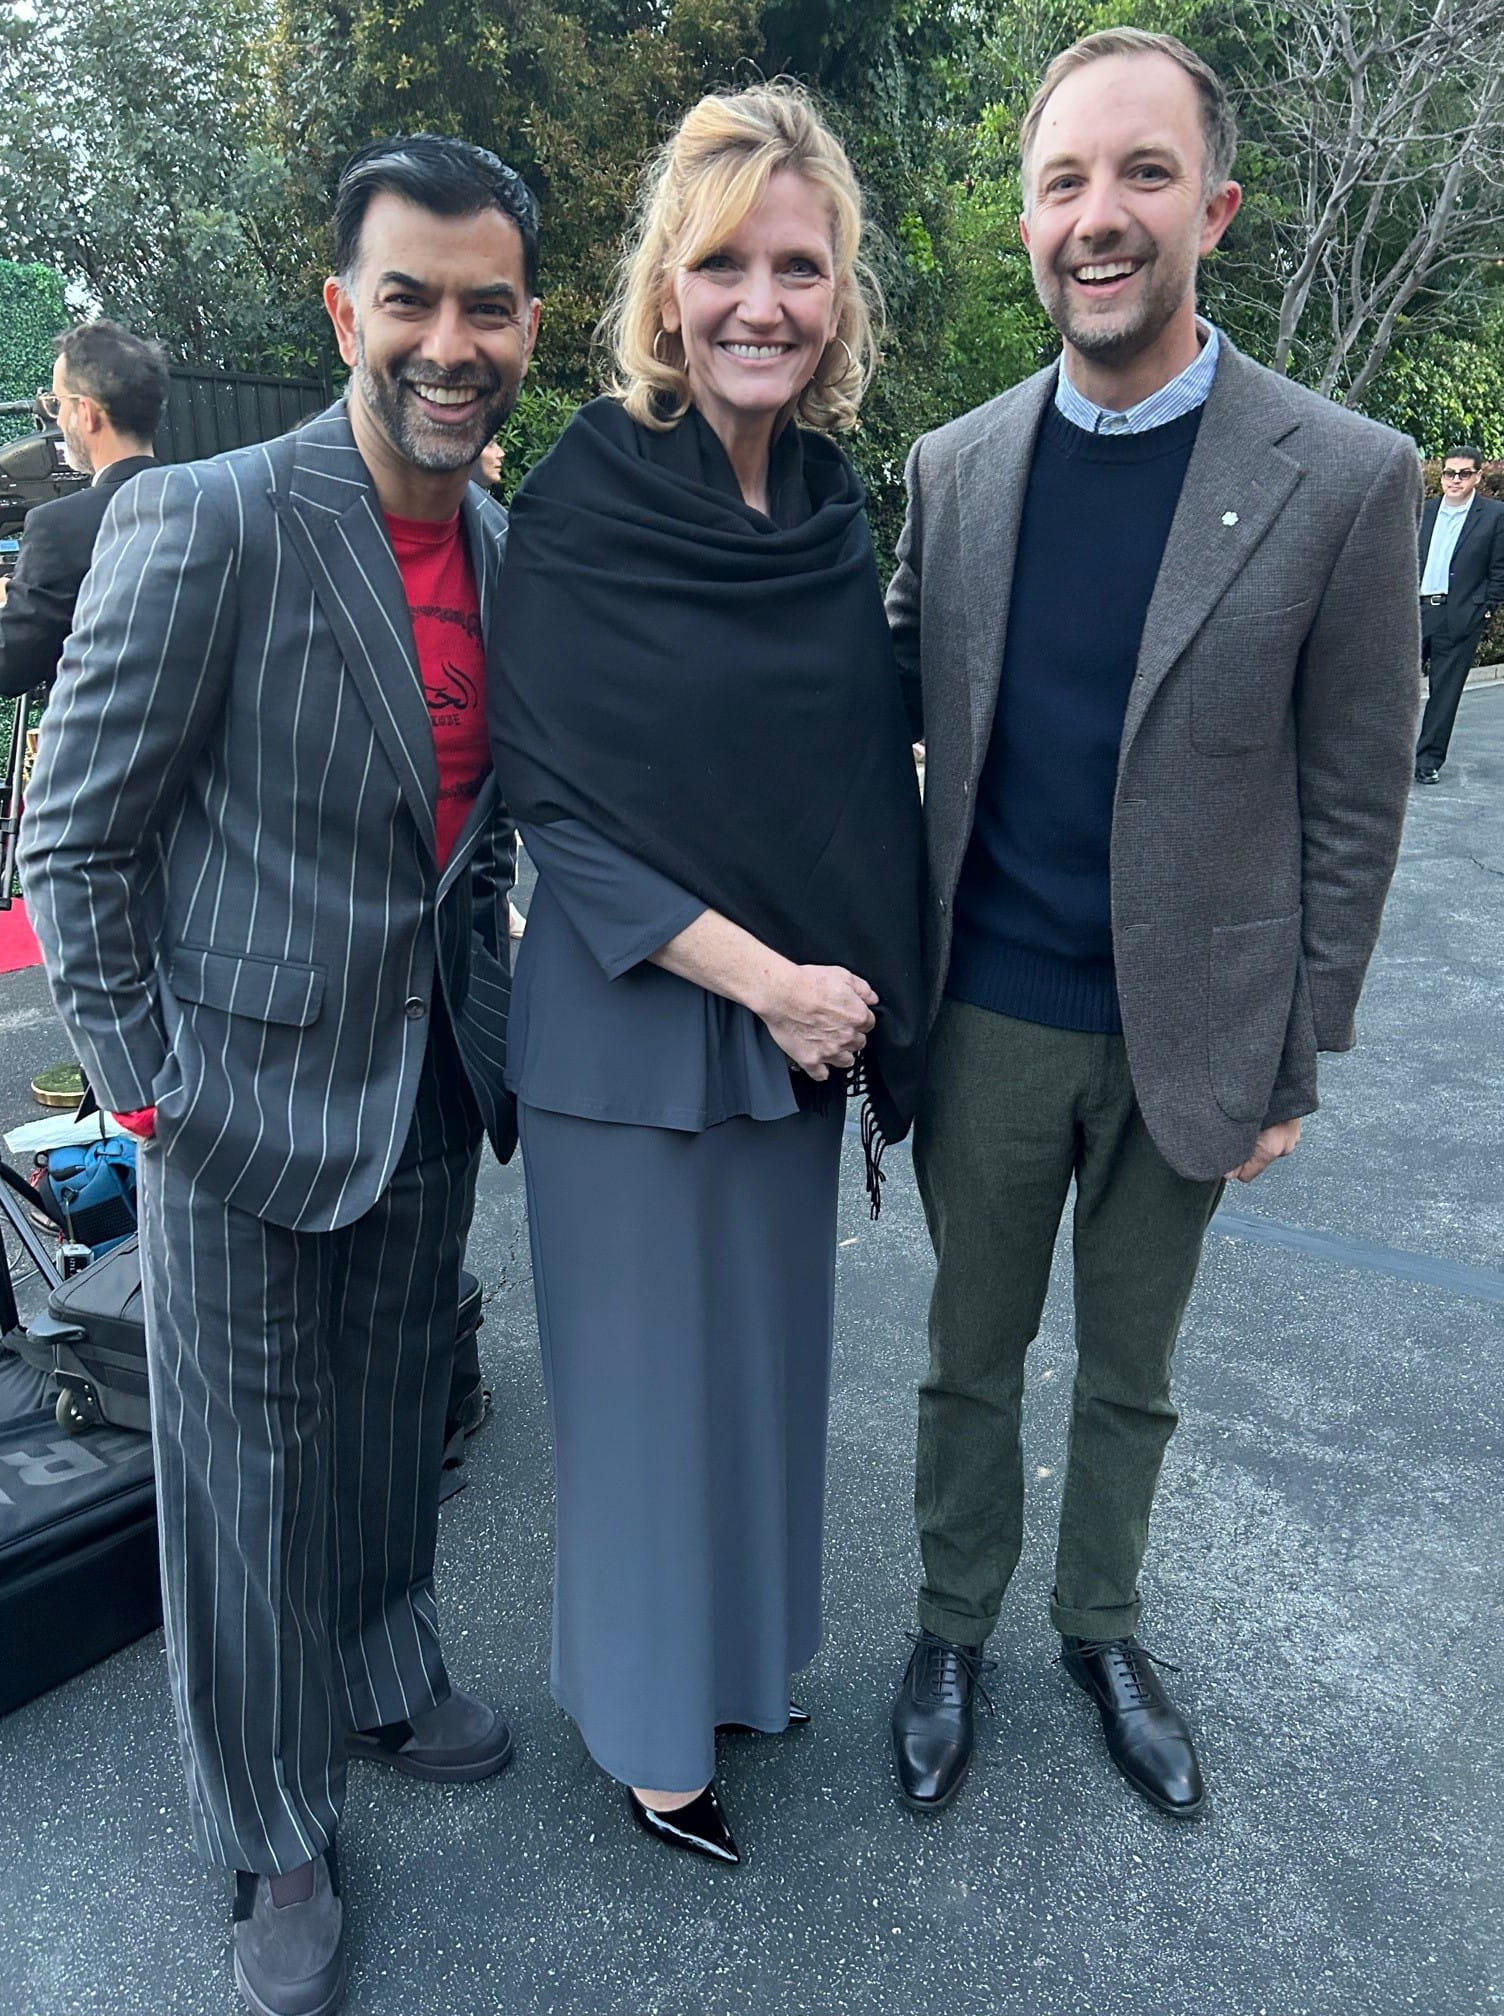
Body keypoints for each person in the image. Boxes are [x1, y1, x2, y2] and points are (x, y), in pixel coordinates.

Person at [20, 134, 541, 2016]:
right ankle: (267, 1819)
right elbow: (67, 840)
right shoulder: (213, 518)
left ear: (527, 326)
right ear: (345, 309)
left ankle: (386, 1665)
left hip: (422, 1087)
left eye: (485, 303)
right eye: (409, 296)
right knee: (241, 1476)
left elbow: (468, 833)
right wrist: (153, 1095)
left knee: (400, 1413)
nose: (447, 337)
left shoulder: (505, 537)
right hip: (228, 1103)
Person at [885, 29, 1419, 1821]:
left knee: (1135, 1371)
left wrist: (1299, 1048)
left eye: (1137, 175)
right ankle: (950, 1620)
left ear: (1214, 205)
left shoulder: (1344, 475)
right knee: (965, 1354)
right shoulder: (952, 469)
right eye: (1061, 180)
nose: (1095, 215)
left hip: (1192, 1027)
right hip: (989, 1023)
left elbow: (1354, 794)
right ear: (1025, 218)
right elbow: (861, 706)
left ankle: (1097, 1623)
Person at [490, 82, 925, 1865]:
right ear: (665, 289)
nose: (764, 299)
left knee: (758, 1380)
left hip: (784, 1047)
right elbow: (562, 812)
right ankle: (655, 1738)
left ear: (840, 301)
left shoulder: (825, 509)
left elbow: (832, 779)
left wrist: (830, 999)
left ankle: (740, 1663)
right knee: (645, 1407)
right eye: (726, 261)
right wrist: (778, 982)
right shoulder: (591, 495)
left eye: (799, 266)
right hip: (633, 1038)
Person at [0, 318, 167, 697]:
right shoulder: (208, 499)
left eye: (57, 403)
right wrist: (19, 592)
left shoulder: (57, 527)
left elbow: (10, 667)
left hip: (102, 748)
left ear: (86, 413)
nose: (55, 418)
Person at [1414, 445, 1504, 783]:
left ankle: (1427, 762)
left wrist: (1483, 610)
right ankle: (1388, 756)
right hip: (1416, 611)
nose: (1455, 479)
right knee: (1394, 689)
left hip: (1459, 616)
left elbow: (1500, 571)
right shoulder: (1425, 511)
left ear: (1478, 477)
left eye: (1464, 473)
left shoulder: (1494, 515)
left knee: (1445, 693)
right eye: (1450, 472)